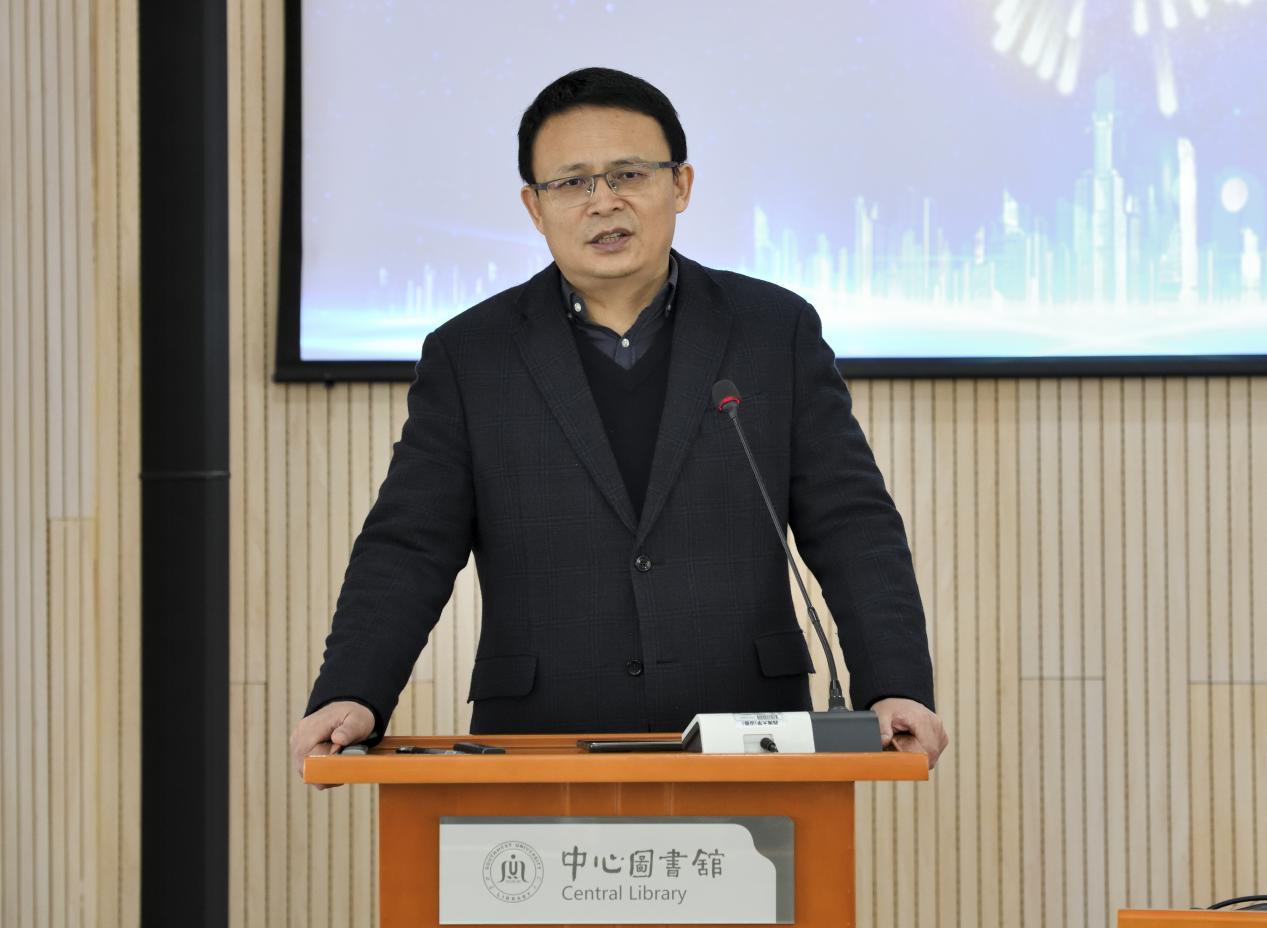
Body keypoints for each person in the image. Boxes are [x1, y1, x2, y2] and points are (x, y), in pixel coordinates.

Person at [290, 67, 948, 784]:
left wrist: (893, 682)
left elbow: (850, 521)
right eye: (572, 182)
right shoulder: (471, 355)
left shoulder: (772, 331)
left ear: (681, 185)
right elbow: (410, 542)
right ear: (534, 207)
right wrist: (352, 691)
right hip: (541, 739)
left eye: (629, 174)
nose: (604, 201)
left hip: (747, 732)